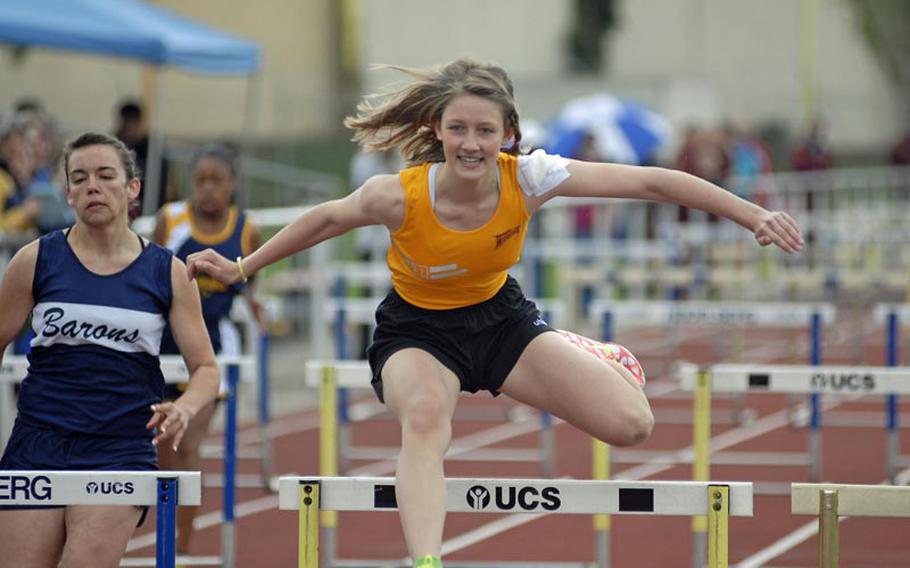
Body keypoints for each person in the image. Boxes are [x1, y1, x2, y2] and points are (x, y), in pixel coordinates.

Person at [185, 59, 803, 568]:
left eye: (485, 131)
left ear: (508, 133)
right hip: (415, 333)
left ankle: (586, 351)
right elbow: (324, 219)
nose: (471, 144)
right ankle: (427, 561)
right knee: (425, 417)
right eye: (458, 129)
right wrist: (244, 267)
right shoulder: (398, 194)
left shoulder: (531, 177)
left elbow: (654, 184)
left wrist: (753, 214)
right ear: (439, 130)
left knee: (631, 425)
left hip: (501, 322)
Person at [0, 132, 220, 568]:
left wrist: (185, 408)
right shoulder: (34, 260)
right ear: (67, 193)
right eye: (79, 179)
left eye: (105, 176)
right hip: (38, 442)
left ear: (132, 187)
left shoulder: (167, 272)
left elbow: (207, 369)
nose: (91, 187)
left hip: (118, 447)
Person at [152, 143, 264, 555]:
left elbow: (252, 280)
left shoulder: (245, 228)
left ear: (233, 184)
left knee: (185, 446)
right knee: (160, 449)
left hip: (214, 350)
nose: (209, 189)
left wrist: (256, 305)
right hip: (162, 347)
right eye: (201, 181)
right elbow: (149, 272)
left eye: (218, 180)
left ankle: (180, 546)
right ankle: (163, 531)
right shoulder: (171, 220)